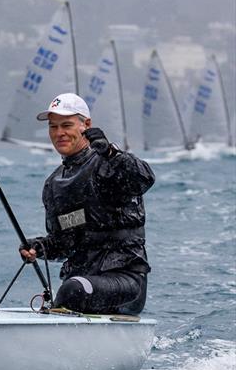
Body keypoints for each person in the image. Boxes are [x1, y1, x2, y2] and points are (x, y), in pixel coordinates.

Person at [19, 93, 155, 315]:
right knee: (72, 287)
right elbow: (64, 243)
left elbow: (144, 179)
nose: (59, 133)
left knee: (72, 290)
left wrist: (111, 152)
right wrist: (38, 247)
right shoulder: (53, 184)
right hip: (83, 282)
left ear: (86, 125)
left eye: (66, 125)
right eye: (53, 127)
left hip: (125, 282)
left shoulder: (109, 162)